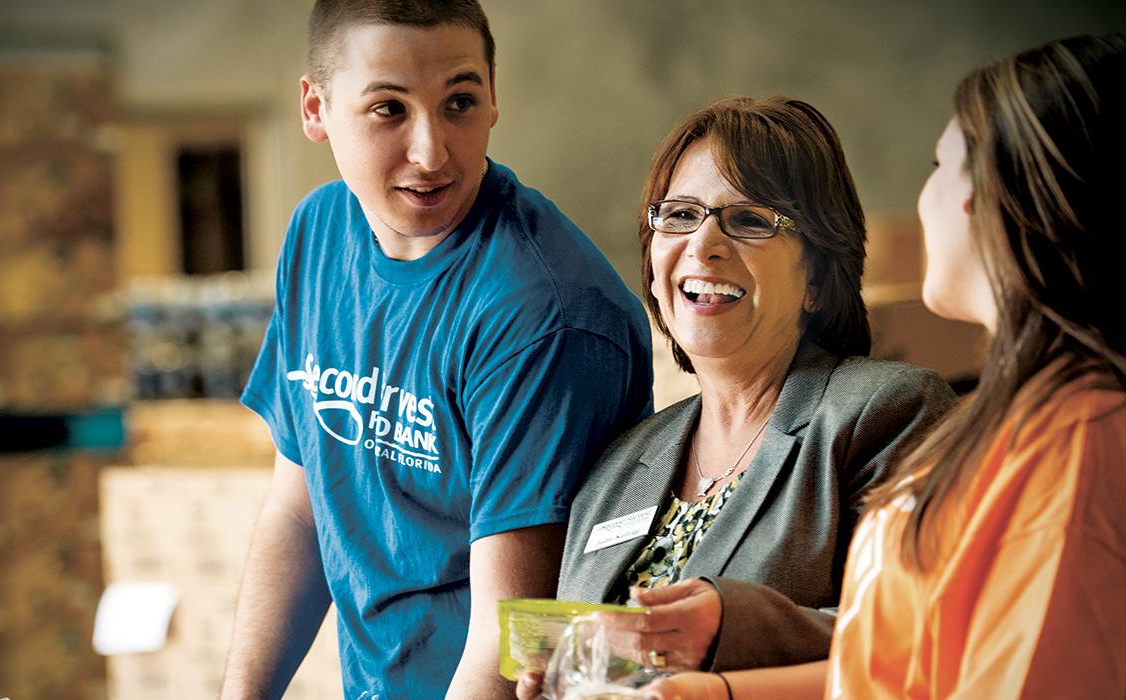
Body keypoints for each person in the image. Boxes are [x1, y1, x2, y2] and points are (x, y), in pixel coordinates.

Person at [647, 33, 1126, 700]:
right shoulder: (1020, 423)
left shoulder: (1077, 443)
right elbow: (905, 668)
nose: (926, 195)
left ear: (986, 196)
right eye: (680, 216)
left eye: (940, 163)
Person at [220, 2, 654, 699]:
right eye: (388, 109)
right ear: (315, 108)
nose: (431, 152)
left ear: (492, 99)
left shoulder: (542, 312)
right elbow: (298, 509)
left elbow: (511, 645)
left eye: (459, 102)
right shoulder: (319, 234)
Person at [515, 96, 956, 699]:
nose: (704, 244)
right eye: (680, 215)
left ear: (819, 281)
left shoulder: (888, 413)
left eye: (749, 220)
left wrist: (723, 636)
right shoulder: (619, 464)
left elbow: (925, 639)